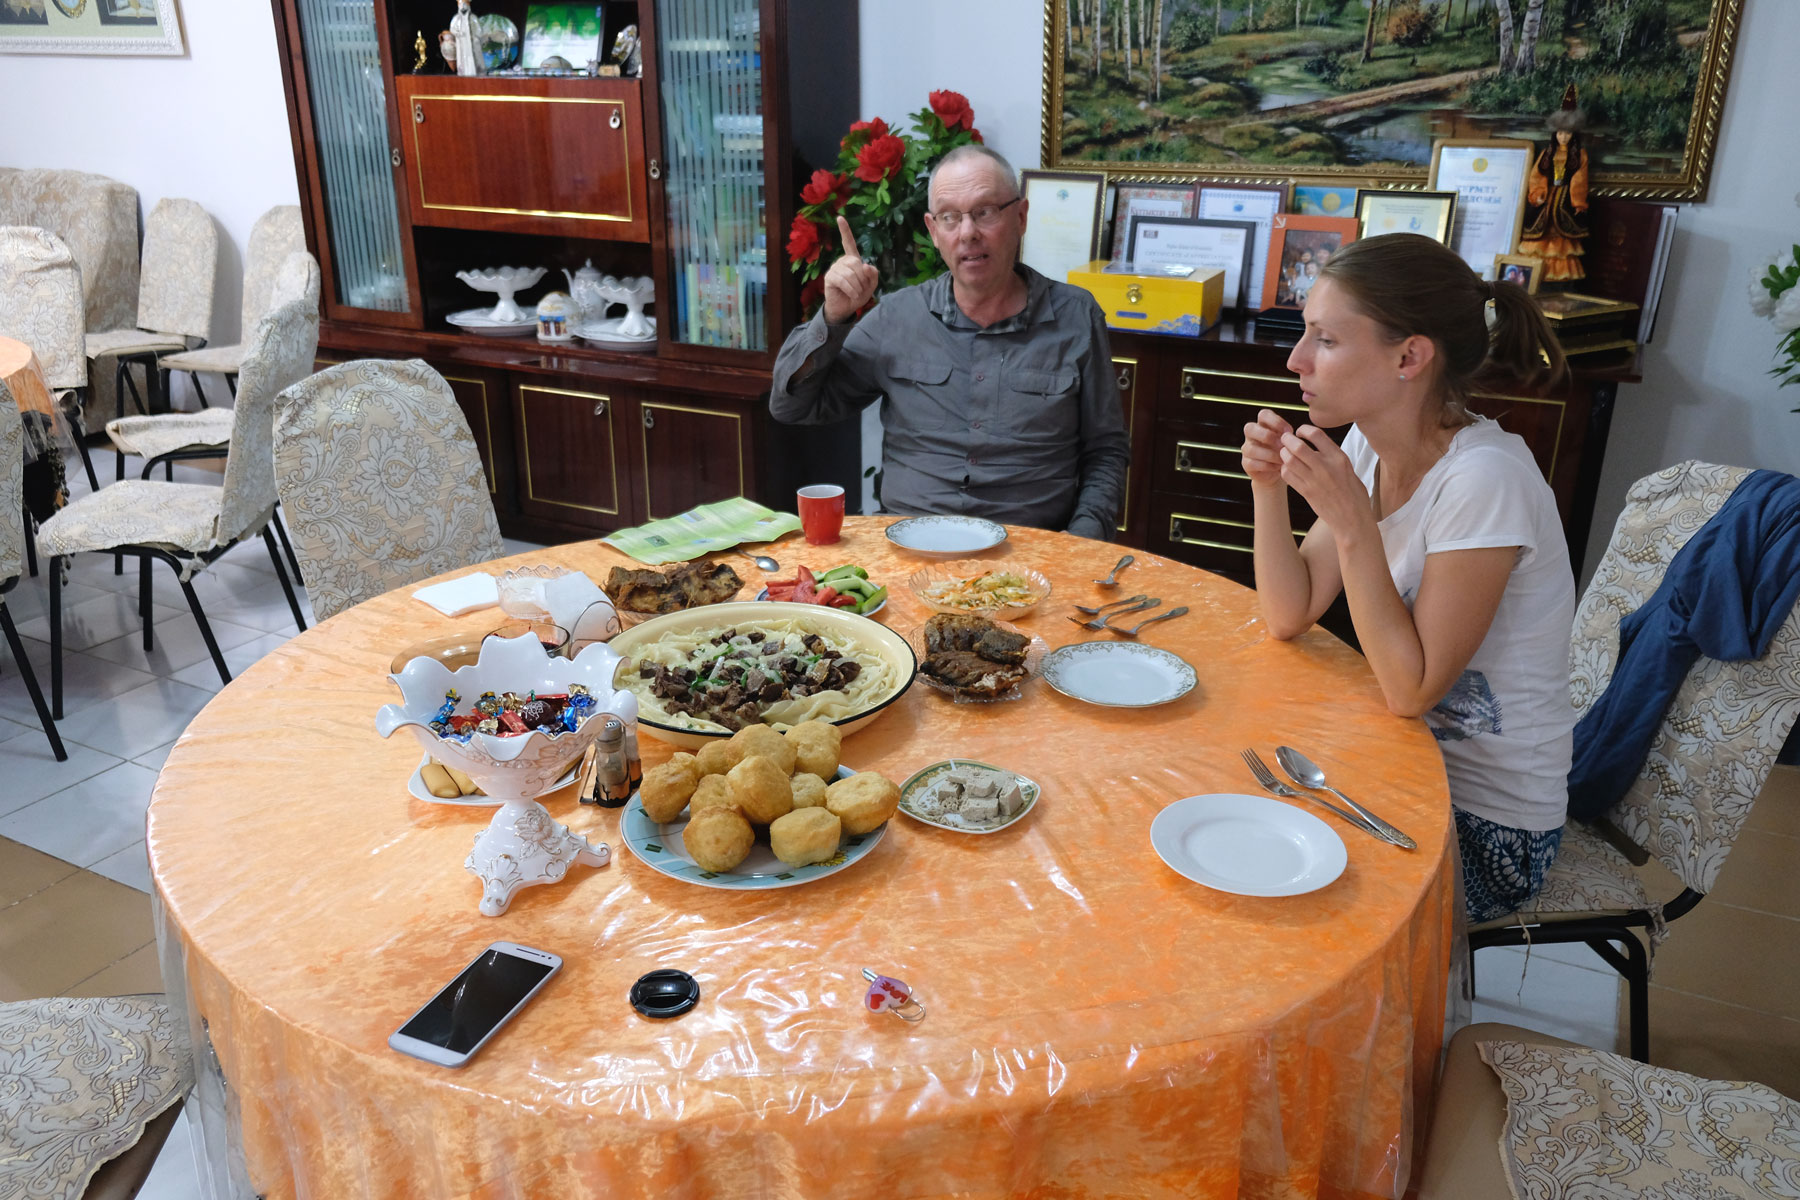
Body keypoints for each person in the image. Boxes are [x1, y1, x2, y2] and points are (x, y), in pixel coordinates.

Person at [1239, 233, 1576, 922]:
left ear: (1410, 357)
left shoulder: (1486, 480)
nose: (1297, 359)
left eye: (1326, 340)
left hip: (1488, 828)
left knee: (1267, 891)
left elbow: (1409, 690)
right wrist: (1267, 488)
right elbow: (1288, 611)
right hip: (1403, 773)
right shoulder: (1367, 442)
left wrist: (1356, 526)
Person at [769, 145, 1129, 540]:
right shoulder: (897, 317)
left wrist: (1081, 543)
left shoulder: (1076, 317)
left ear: (1021, 217)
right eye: (950, 217)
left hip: (1033, 554)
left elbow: (1106, 450)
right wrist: (833, 316)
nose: (968, 232)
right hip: (908, 548)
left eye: (985, 212)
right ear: (933, 230)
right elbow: (791, 407)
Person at [1519, 86, 1589, 283]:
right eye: (1560, 133)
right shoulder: (1547, 154)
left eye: (1567, 133)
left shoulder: (1579, 155)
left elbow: (1579, 179)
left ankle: (1558, 276)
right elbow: (1537, 175)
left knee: (1562, 235)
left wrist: (1577, 202)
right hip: (1547, 196)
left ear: (1573, 134)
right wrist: (1538, 193)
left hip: (1565, 196)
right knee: (1537, 231)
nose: (1563, 137)